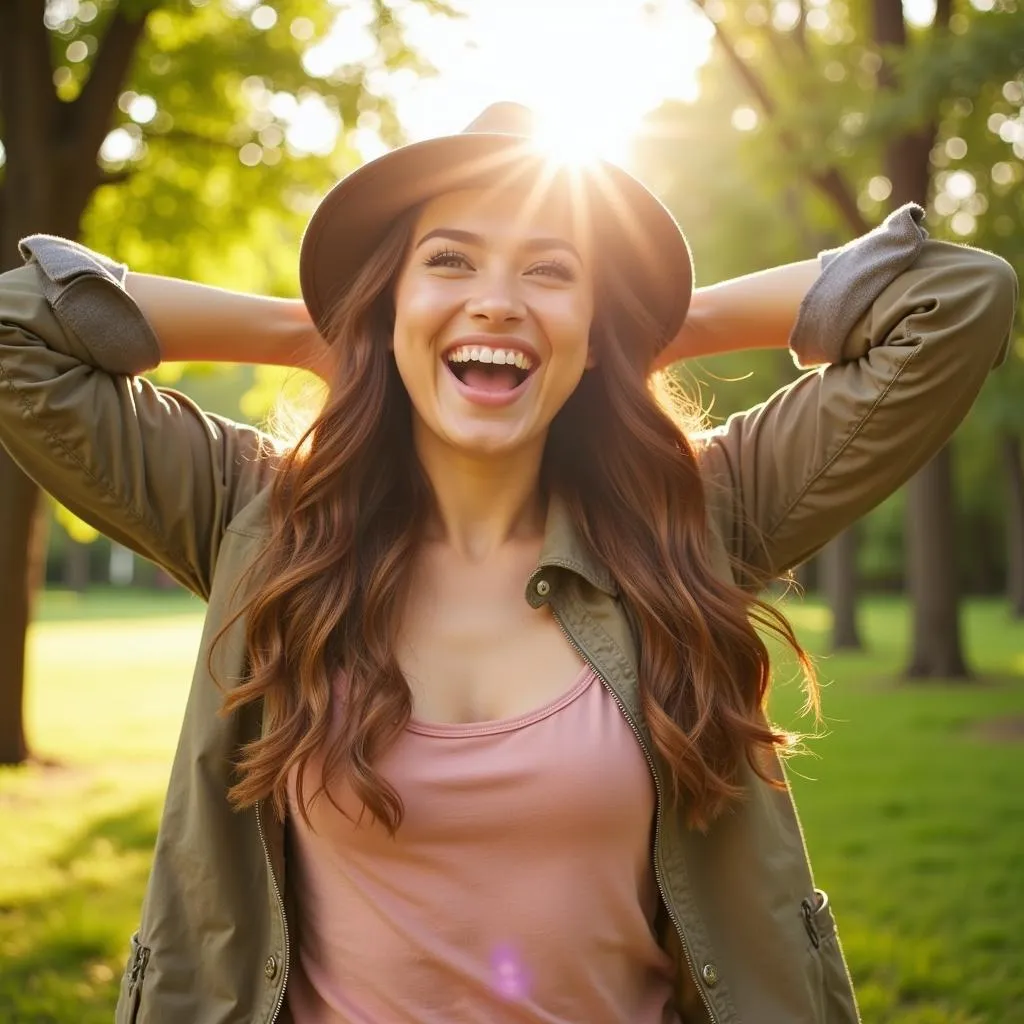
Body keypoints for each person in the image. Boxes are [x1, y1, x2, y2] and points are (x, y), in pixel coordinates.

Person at [0, 101, 1017, 1024]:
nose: (497, 302)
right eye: (448, 262)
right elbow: (17, 330)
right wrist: (312, 335)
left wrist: (654, 327)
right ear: (387, 304)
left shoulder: (690, 515)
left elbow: (952, 300)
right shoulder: (260, 516)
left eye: (549, 270)